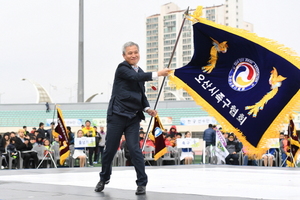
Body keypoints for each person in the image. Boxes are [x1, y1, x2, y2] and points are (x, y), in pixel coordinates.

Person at [94, 41, 171, 195]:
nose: (133, 55)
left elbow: (141, 94)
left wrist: (147, 108)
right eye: (130, 53)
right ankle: (104, 178)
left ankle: (142, 183)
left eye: (135, 52)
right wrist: (158, 74)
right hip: (117, 115)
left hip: (133, 117)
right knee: (109, 150)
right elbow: (135, 77)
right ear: (124, 55)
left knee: (135, 149)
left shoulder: (139, 71)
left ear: (139, 53)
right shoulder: (122, 68)